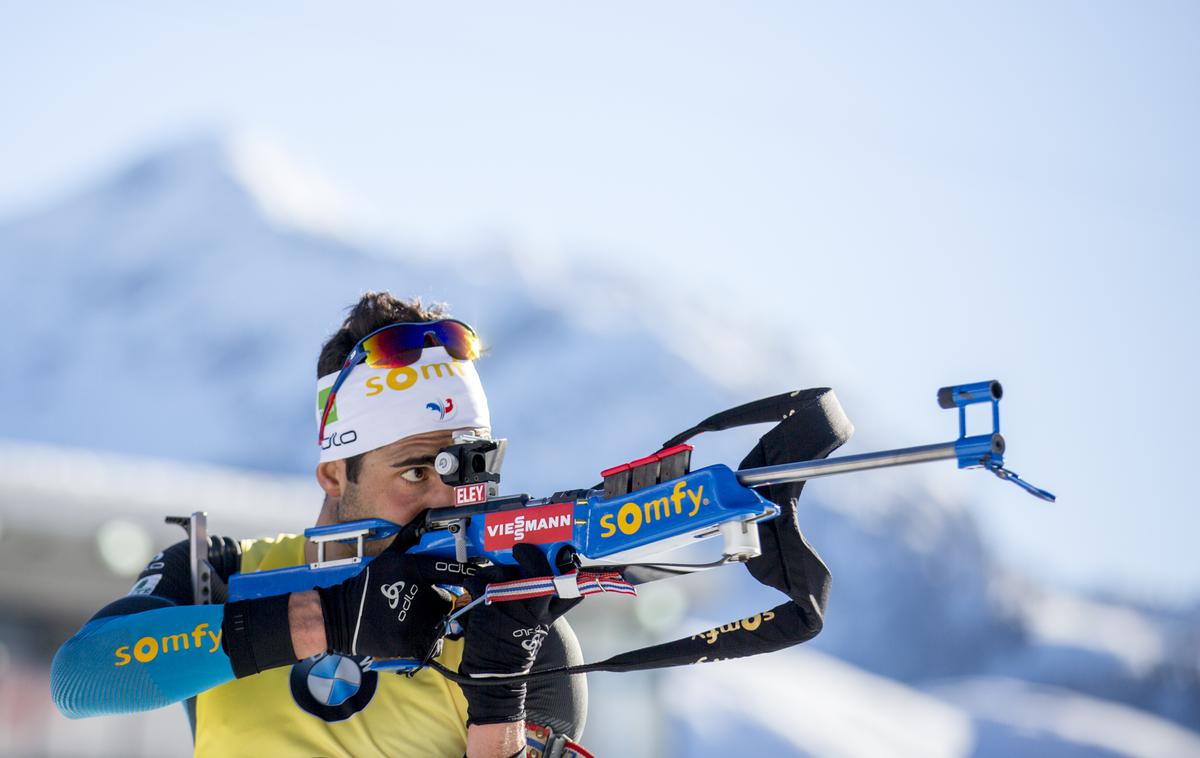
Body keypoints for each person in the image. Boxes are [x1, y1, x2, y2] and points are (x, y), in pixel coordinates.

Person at [51, 292, 591, 758]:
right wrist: (323, 621)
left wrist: (500, 703)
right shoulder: (221, 574)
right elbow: (81, 678)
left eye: (469, 468)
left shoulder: (510, 627)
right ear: (335, 474)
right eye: (417, 471)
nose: (445, 499)